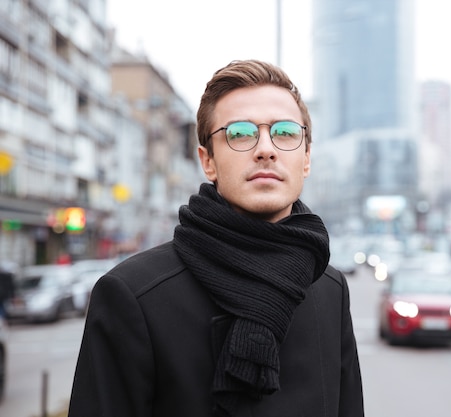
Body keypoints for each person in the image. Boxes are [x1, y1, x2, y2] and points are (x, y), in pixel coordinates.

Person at [68, 59, 364, 417]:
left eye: (285, 132)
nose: (265, 149)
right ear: (207, 161)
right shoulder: (133, 295)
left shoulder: (329, 288)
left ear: (306, 158)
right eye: (240, 134)